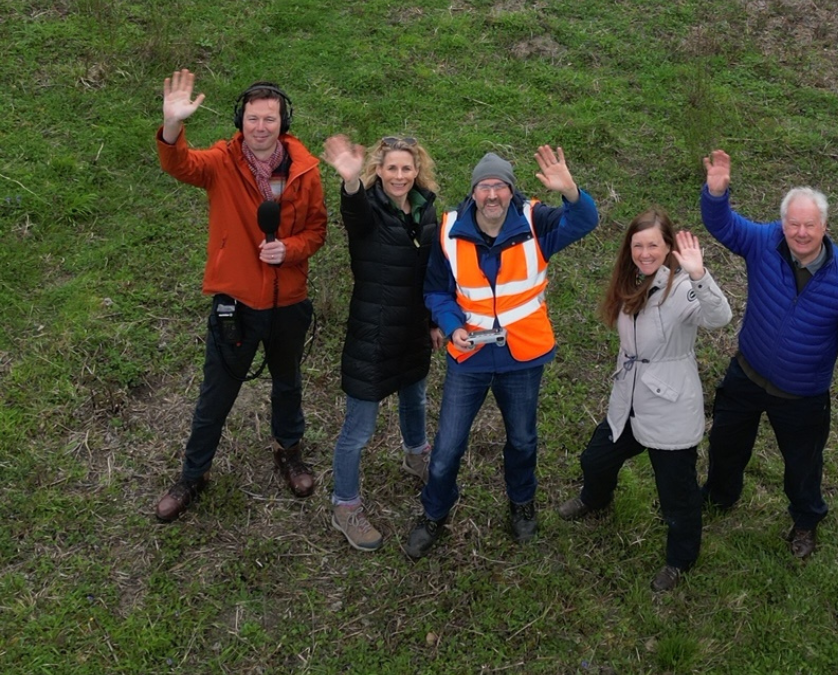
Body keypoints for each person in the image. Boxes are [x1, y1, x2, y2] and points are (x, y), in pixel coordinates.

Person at [402, 145, 600, 559]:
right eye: (484, 187)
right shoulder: (449, 230)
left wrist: (572, 192)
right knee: (448, 446)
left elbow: (585, 220)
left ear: (511, 190)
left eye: (500, 186)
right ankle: (434, 513)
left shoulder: (537, 222)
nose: (492, 195)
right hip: (469, 357)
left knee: (523, 440)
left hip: (523, 357)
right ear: (473, 192)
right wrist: (453, 327)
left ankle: (521, 505)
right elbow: (437, 290)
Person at [153, 70, 328, 522]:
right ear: (240, 120)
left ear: (283, 121)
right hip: (236, 301)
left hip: (289, 300)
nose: (261, 127)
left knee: (287, 383)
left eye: (270, 119)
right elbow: (179, 164)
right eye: (253, 119)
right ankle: (194, 474)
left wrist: (288, 249)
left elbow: (317, 230)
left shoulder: (306, 171)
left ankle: (289, 451)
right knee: (216, 393)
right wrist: (172, 125)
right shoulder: (221, 162)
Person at [697, 149, 838, 558]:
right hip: (747, 372)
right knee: (725, 442)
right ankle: (719, 496)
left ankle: (806, 520)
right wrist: (716, 192)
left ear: (825, 226)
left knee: (803, 465)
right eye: (793, 223)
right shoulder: (764, 242)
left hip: (802, 395)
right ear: (782, 223)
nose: (800, 232)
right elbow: (722, 226)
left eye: (809, 224)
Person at [556, 209, 732, 592]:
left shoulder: (682, 286)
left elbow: (720, 317)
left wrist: (700, 274)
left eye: (653, 244)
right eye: (638, 245)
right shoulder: (631, 281)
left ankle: (680, 559)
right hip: (631, 399)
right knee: (595, 459)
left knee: (677, 494)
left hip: (668, 403)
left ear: (668, 247)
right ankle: (595, 499)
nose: (645, 252)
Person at [320, 134, 443, 551]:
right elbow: (353, 213)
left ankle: (416, 456)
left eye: (407, 168)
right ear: (378, 170)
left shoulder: (427, 211)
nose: (399, 175)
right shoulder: (368, 207)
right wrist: (351, 182)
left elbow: (432, 271)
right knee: (360, 429)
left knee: (416, 400)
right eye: (391, 168)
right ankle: (345, 505)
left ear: (417, 170)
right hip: (373, 331)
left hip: (412, 329)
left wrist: (432, 322)